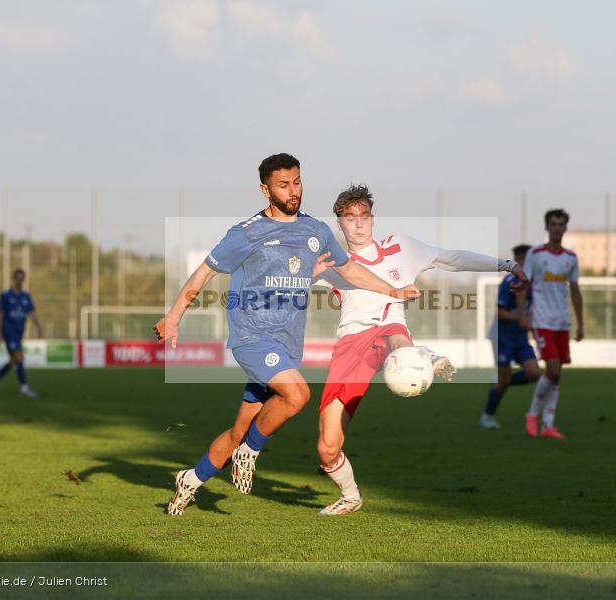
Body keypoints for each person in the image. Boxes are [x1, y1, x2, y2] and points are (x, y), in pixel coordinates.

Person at [154, 154, 419, 516]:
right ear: (265, 190)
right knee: (297, 396)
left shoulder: (317, 231)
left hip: (287, 344)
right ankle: (250, 452)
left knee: (239, 429)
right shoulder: (246, 233)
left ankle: (190, 480)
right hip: (252, 338)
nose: (293, 191)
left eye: (297, 182)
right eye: (283, 184)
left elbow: (351, 271)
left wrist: (391, 291)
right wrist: (174, 316)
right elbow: (203, 275)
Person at [312, 184, 526, 515]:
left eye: (364, 216)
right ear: (339, 224)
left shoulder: (399, 247)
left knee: (394, 336)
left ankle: (420, 355)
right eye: (350, 218)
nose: (358, 224)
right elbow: (285, 287)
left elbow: (451, 259)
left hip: (388, 332)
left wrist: (506, 265)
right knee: (327, 448)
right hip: (351, 346)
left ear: (372, 219)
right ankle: (351, 495)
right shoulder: (330, 262)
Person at [520, 209, 584, 439]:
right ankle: (532, 414)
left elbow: (575, 291)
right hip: (542, 320)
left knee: (557, 376)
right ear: (547, 227)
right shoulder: (535, 254)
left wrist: (581, 323)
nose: (557, 228)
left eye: (561, 224)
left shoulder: (571, 258)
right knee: (553, 369)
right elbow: (523, 285)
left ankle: (548, 425)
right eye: (553, 224)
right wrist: (522, 314)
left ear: (565, 228)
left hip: (562, 323)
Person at [480, 244, 541, 430]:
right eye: (519, 258)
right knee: (504, 378)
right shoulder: (509, 282)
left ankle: (501, 380)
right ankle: (487, 416)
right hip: (502, 337)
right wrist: (520, 317)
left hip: (520, 338)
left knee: (534, 373)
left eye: (526, 258)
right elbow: (500, 313)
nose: (523, 262)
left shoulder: (533, 284)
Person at [0, 269, 43, 397]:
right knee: (20, 358)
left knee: (13, 361)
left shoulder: (26, 296)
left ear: (24, 279)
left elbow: (32, 313)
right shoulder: (5, 295)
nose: (19, 280)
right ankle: (24, 387)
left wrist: (39, 327)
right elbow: (0, 314)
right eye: (17, 277)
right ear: (13, 279)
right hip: (8, 332)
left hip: (19, 333)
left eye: (22, 278)